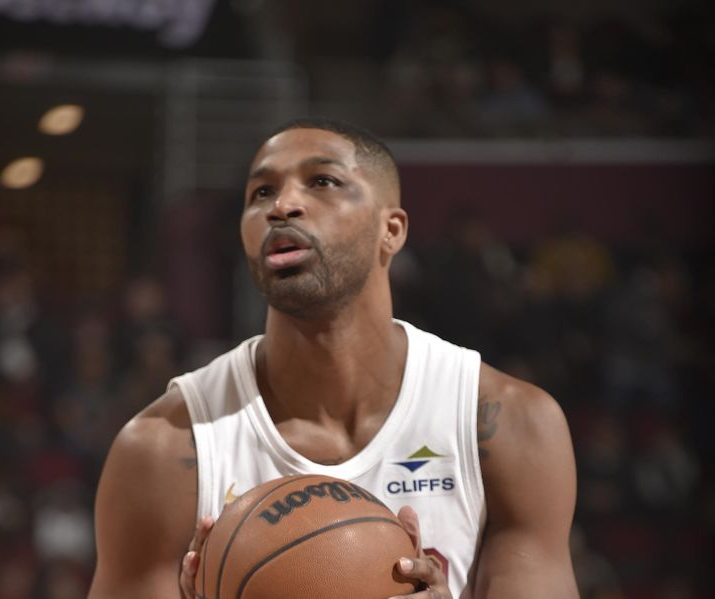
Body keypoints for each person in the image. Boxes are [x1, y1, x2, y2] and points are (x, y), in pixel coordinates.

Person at [87, 118, 579, 598]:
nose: (282, 206)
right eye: (261, 193)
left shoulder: (509, 424)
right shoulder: (161, 449)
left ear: (392, 230)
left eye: (322, 181)